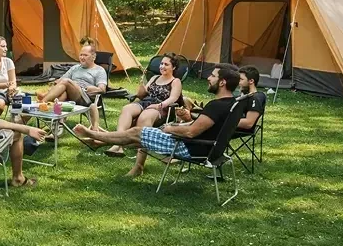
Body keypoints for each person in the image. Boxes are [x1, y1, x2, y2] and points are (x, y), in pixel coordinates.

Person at [74, 63, 241, 178]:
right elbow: (199, 127)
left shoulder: (216, 106)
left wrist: (170, 129)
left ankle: (96, 136)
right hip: (204, 147)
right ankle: (102, 142)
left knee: (136, 133)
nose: (208, 78)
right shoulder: (231, 103)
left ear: (222, 82)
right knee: (137, 137)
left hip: (189, 148)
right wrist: (186, 121)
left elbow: (191, 132)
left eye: (212, 76)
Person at [102, 53, 183, 158]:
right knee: (127, 109)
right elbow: (142, 95)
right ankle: (118, 144)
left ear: (174, 67)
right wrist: (141, 87)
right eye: (161, 63)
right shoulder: (154, 78)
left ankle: (140, 150)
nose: (162, 66)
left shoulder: (175, 81)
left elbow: (173, 98)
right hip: (146, 102)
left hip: (161, 108)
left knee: (145, 116)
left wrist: (158, 105)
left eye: (166, 64)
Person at [37, 43, 107, 131]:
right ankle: (57, 126)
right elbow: (60, 81)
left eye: (85, 55)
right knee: (63, 93)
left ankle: (42, 102)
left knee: (66, 82)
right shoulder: (75, 68)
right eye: (81, 55)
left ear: (93, 57)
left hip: (85, 97)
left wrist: (93, 89)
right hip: (71, 94)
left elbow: (102, 89)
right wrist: (54, 85)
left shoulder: (99, 70)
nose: (82, 57)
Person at [236, 65, 266, 132]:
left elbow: (249, 123)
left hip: (238, 128)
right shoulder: (241, 96)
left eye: (241, 79)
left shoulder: (255, 98)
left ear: (251, 81)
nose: (238, 82)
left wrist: (224, 122)